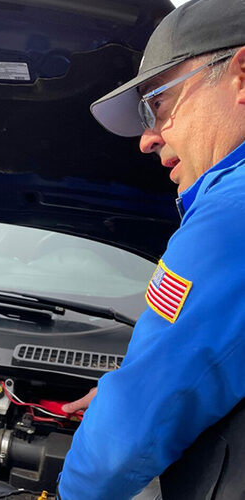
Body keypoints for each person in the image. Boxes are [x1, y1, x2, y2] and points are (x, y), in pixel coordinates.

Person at [57, 0, 245, 498]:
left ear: (242, 76)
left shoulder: (233, 215)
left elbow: (118, 451)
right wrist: (130, 390)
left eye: (157, 104)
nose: (147, 139)